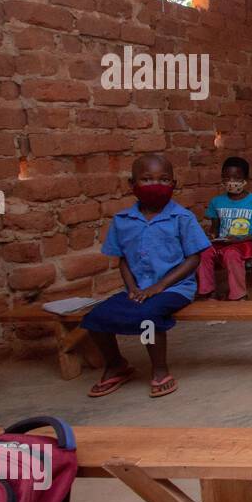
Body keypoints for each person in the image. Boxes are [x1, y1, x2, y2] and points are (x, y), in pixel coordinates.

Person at [80, 153, 210, 399]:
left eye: (163, 179)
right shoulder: (122, 221)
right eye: (147, 179)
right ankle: (116, 363)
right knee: (94, 318)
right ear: (132, 185)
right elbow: (124, 260)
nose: (155, 185)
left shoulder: (182, 218)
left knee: (148, 315)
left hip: (175, 288)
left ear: (173, 184)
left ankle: (160, 369)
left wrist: (160, 286)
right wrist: (133, 289)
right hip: (138, 288)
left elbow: (194, 258)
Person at [198, 156, 252, 301]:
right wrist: (211, 235)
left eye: (236, 177)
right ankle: (208, 292)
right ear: (222, 178)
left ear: (245, 178)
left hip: (247, 243)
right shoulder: (216, 201)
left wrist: (241, 239)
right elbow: (215, 228)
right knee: (204, 252)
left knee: (231, 253)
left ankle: (238, 295)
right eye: (227, 177)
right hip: (224, 241)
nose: (231, 181)